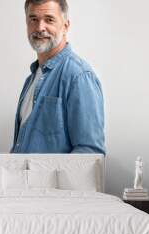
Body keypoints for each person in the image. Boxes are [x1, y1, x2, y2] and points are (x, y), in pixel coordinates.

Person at [10, 0, 105, 154]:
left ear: (65, 26)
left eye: (49, 19)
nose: (40, 28)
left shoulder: (79, 77)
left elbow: (90, 153)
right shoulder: (31, 79)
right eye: (33, 19)